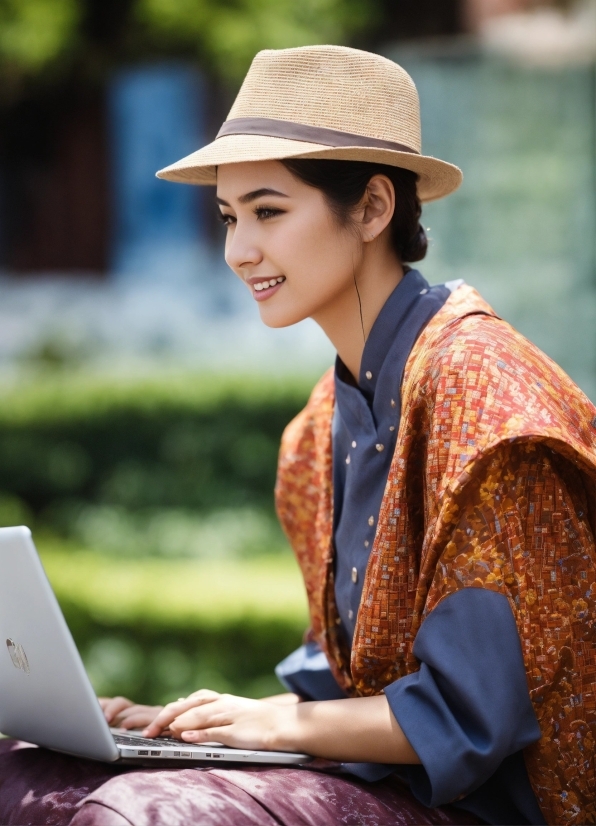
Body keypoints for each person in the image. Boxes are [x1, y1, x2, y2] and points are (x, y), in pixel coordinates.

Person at [1, 45, 595, 826]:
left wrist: (275, 722)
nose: (238, 250)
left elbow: (467, 716)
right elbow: (344, 692)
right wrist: (183, 725)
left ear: (375, 209)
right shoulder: (325, 421)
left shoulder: (482, 393)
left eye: (268, 211)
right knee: (24, 777)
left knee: (140, 816)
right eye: (228, 216)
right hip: (389, 784)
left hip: (495, 809)